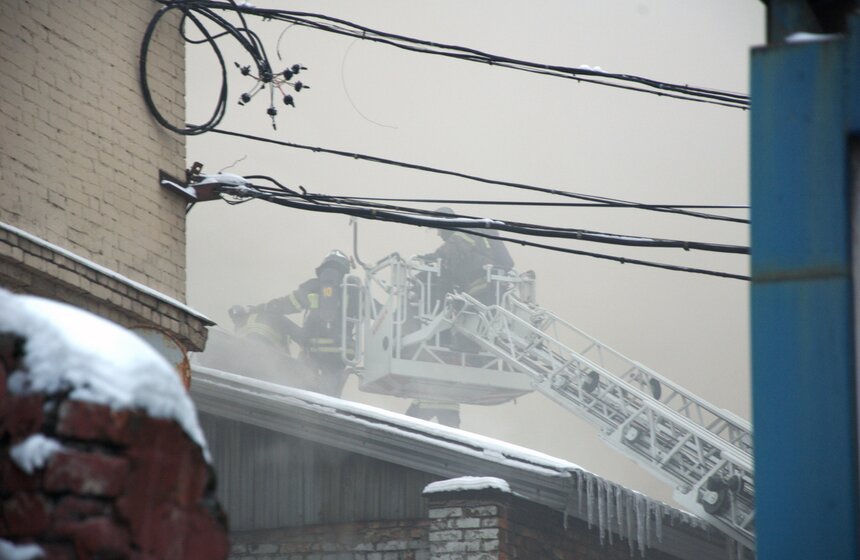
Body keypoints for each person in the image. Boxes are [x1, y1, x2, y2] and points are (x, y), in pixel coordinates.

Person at [230, 250, 356, 397]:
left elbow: (283, 305)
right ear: (346, 271)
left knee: (274, 317)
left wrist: (256, 309)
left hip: (311, 348)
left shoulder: (313, 287)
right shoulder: (356, 292)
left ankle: (268, 357)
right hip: (338, 356)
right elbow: (378, 312)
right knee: (329, 397)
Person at [419, 207, 514, 306]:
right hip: (496, 285)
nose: (438, 234)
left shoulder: (464, 232)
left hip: (480, 284)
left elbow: (450, 249)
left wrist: (430, 257)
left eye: (439, 229)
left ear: (444, 225)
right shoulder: (484, 229)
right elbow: (508, 262)